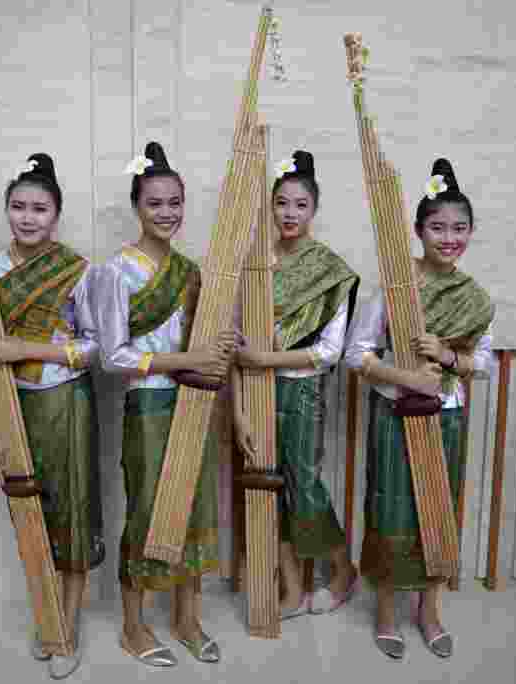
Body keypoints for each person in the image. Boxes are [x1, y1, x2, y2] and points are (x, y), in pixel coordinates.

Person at [344, 158, 494, 660]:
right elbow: (356, 354)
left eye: (458, 228)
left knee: (439, 512)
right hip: (394, 413)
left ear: (471, 231)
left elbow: (483, 362)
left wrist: (447, 356)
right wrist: (406, 375)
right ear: (417, 231)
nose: (448, 237)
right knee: (392, 509)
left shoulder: (475, 298)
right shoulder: (392, 286)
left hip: (446, 414)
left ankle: (429, 612)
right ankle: (386, 611)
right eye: (437, 227)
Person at [94, 141, 236, 667]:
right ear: (137, 206)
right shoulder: (116, 272)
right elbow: (113, 356)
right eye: (155, 203)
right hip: (150, 408)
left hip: (195, 406)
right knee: (151, 512)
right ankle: (133, 627)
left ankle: (187, 619)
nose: (167, 213)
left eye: (175, 202)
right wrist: (187, 360)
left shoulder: (193, 271)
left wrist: (221, 345)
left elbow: (206, 340)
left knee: (198, 510)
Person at [0, 153, 104, 680]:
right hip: (10, 402)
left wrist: (24, 348)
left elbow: (94, 347)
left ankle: (66, 624)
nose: (28, 217)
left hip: (64, 399)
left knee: (69, 510)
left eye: (40, 209)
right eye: (19, 207)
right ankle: (44, 614)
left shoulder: (77, 270)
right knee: (29, 514)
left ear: (57, 214)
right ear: (7, 210)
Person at [231, 149, 361, 620]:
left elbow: (328, 352)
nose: (290, 213)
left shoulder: (330, 270)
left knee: (303, 484)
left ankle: (343, 572)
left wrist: (265, 357)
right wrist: (240, 408)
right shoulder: (256, 265)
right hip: (258, 390)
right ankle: (292, 590)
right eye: (282, 203)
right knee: (271, 484)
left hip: (301, 390)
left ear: (314, 210)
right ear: (271, 206)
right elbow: (237, 341)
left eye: (300, 205)